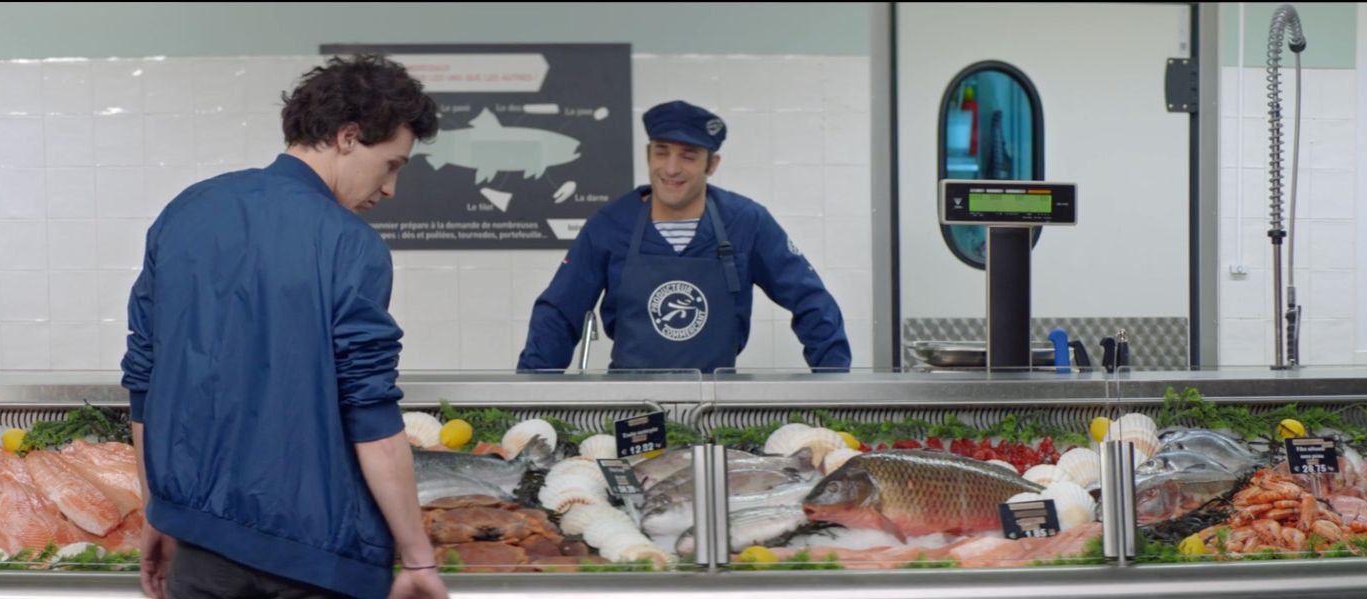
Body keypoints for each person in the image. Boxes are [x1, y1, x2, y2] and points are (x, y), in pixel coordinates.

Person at [120, 54, 447, 599]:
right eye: (392, 164)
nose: (389, 188)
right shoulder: (351, 243)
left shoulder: (186, 212)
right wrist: (417, 558)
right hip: (317, 560)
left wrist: (163, 510)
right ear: (347, 136)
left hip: (200, 550)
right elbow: (369, 413)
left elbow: (144, 385)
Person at [517, 100, 851, 373]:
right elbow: (558, 315)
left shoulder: (747, 222)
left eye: (688, 156)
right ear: (649, 156)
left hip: (718, 406)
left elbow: (811, 301)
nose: (672, 168)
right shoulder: (609, 225)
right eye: (662, 152)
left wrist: (833, 386)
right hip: (630, 409)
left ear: (712, 164)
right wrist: (530, 400)